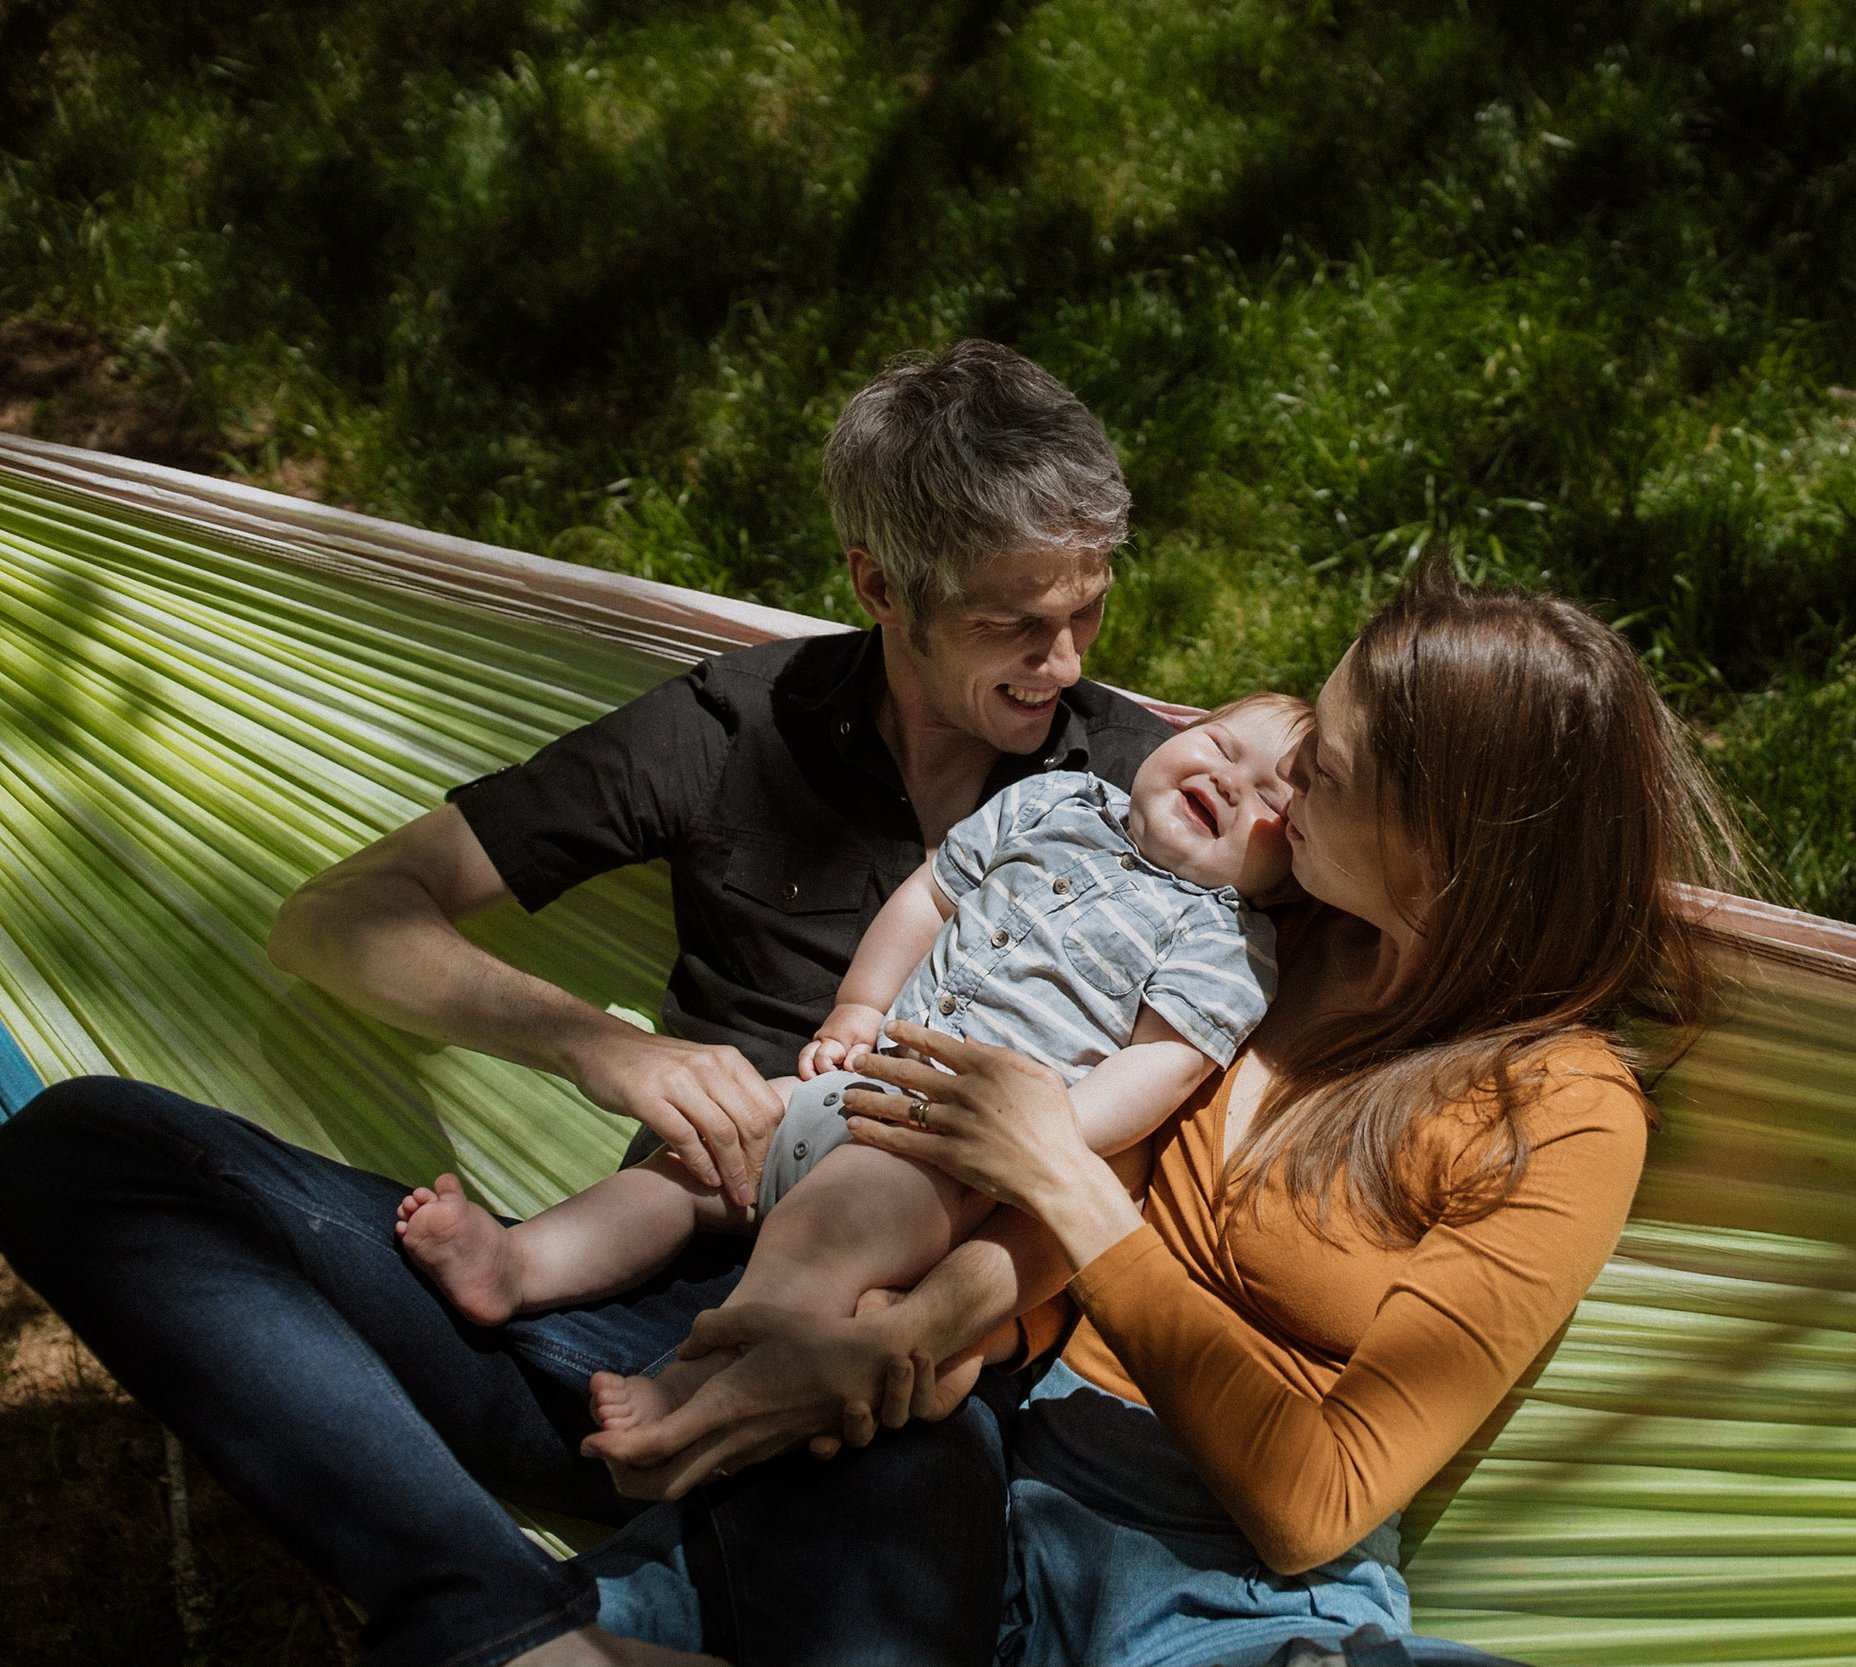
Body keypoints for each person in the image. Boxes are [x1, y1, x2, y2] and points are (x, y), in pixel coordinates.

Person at [0, 340, 1180, 1667]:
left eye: (1087, 607)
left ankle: (585, 1605)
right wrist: (600, 1045)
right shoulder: (732, 729)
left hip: (872, 1374)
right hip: (599, 1308)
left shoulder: (1157, 793)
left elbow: (1181, 1133)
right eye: (1014, 624)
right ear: (876, 584)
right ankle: (507, 1619)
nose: (1067, 658)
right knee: (82, 1149)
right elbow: (337, 915)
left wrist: (931, 1322)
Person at [592, 571, 1750, 1666]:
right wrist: (915, 1334)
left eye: (1325, 776)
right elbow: (1113, 1169)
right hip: (1003, 1462)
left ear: (1445, 852)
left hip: (1232, 1579)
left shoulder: (1561, 1111)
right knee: (607, 1608)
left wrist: (1054, 1171)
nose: (1282, 790)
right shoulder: (1262, 931)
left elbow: (1316, 1501)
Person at [395, 695, 1305, 1440]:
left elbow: (1161, 1064)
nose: (1231, 778)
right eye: (1221, 743)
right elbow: (928, 898)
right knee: (693, 1161)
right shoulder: (1055, 802)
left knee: (820, 1235)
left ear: (1285, 871)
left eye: (1271, 798)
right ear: (1171, 734)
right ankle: (521, 1260)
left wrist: (1046, 1140)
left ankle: (697, 1385)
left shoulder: (1224, 936)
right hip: (856, 1083)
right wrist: (859, 1006)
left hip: (949, 1158)